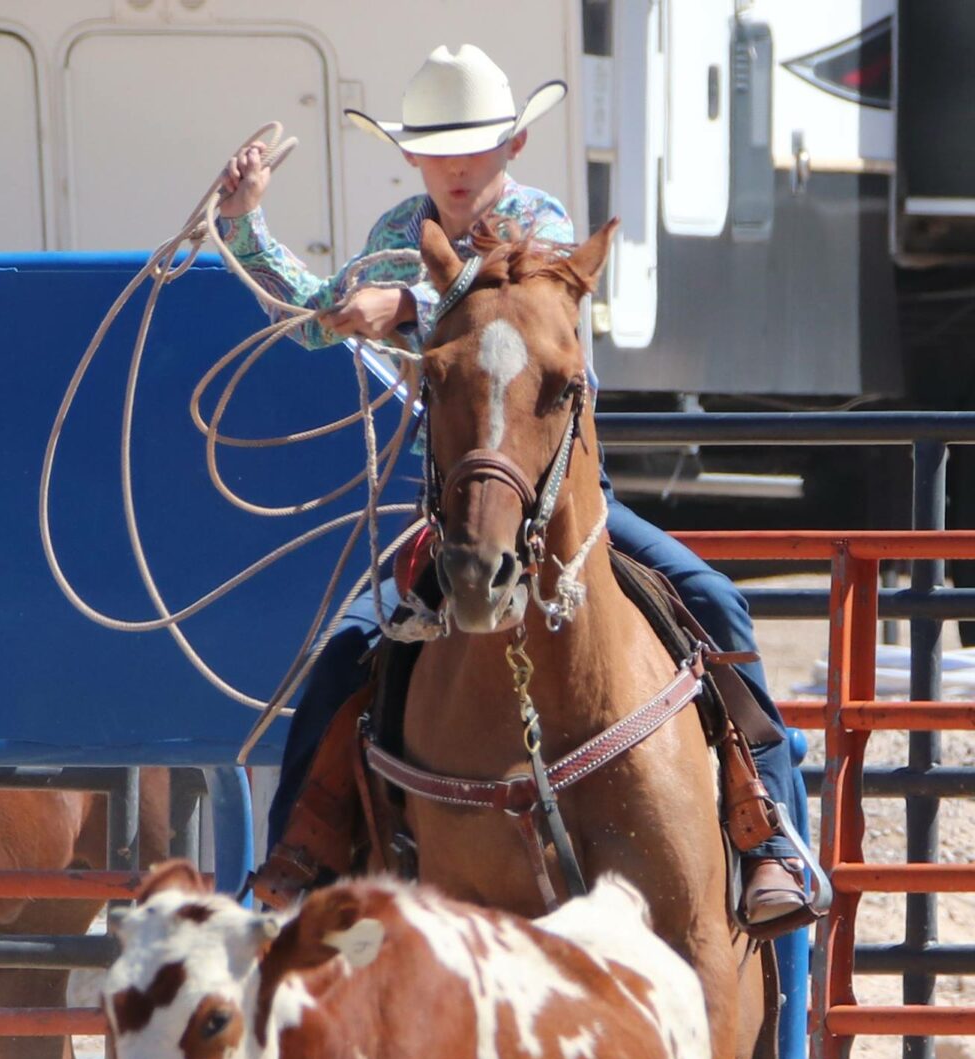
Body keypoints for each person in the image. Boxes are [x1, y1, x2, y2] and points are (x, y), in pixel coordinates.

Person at [217, 43, 809, 930]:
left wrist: (412, 308)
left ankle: (766, 834)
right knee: (343, 654)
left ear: (511, 151)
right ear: (414, 155)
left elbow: (525, 302)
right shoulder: (393, 238)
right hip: (454, 508)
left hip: (563, 500)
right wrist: (244, 231)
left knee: (715, 600)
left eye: (475, 148)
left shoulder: (540, 222)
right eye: (438, 150)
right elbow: (318, 317)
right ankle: (297, 860)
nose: (457, 168)